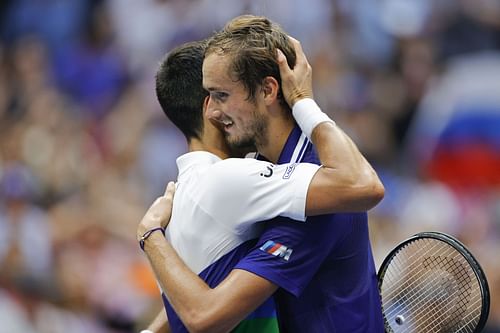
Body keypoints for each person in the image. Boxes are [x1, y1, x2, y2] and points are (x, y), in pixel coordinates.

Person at [139, 15, 384, 333]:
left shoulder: (318, 195)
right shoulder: (261, 177)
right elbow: (215, 280)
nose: (212, 111)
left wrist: (149, 234)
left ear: (268, 90)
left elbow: (206, 315)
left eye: (222, 96)